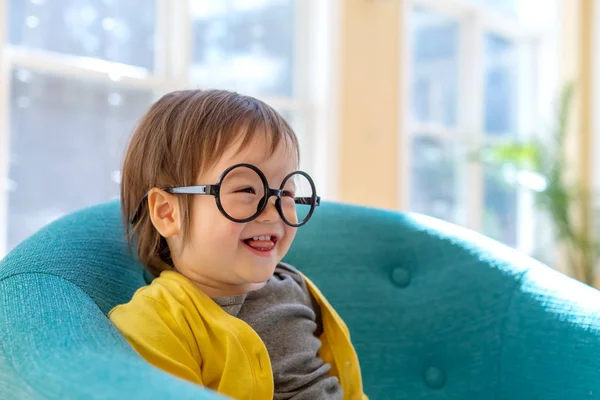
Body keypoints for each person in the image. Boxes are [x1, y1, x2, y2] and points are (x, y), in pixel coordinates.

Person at [109, 89, 366, 399]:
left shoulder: (293, 287)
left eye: (285, 193)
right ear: (167, 212)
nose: (273, 212)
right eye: (246, 189)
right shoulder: (158, 323)